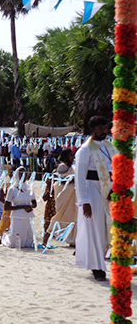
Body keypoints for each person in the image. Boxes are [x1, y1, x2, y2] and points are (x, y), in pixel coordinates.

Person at [74, 116, 117, 281]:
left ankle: (104, 260)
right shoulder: (85, 150)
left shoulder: (109, 146)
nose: (104, 131)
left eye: (105, 128)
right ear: (92, 130)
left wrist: (115, 188)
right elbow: (79, 177)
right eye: (100, 129)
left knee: (107, 229)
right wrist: (84, 201)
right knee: (95, 230)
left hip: (109, 192)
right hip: (92, 191)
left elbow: (118, 166)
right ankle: (96, 266)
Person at [44, 148, 77, 245]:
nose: (73, 157)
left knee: (72, 216)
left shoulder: (72, 167)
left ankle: (72, 240)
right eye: (70, 155)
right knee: (59, 216)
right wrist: (70, 180)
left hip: (72, 195)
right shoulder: (62, 167)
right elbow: (58, 180)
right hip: (64, 194)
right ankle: (46, 236)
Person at [1, 166, 37, 248]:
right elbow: (7, 207)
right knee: (14, 243)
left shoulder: (29, 188)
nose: (23, 177)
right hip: (17, 216)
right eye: (21, 175)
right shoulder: (12, 189)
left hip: (27, 217)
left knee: (28, 243)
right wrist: (22, 207)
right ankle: (5, 236)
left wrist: (30, 207)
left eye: (25, 175)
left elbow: (34, 203)